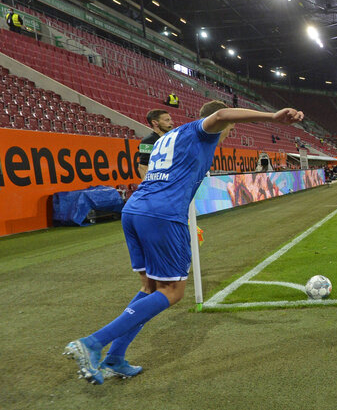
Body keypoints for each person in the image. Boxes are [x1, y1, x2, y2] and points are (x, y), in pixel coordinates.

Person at [63, 101, 305, 384]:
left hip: (135, 210)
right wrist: (273, 116)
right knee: (173, 291)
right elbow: (223, 114)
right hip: (161, 213)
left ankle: (115, 357)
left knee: (150, 288)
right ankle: (92, 343)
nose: (229, 131)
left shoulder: (168, 137)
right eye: (230, 129)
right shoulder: (201, 131)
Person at [137, 110, 175, 179]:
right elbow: (143, 167)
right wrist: (148, 187)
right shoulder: (148, 142)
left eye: (170, 120)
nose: (172, 123)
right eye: (167, 120)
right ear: (155, 123)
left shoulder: (172, 139)